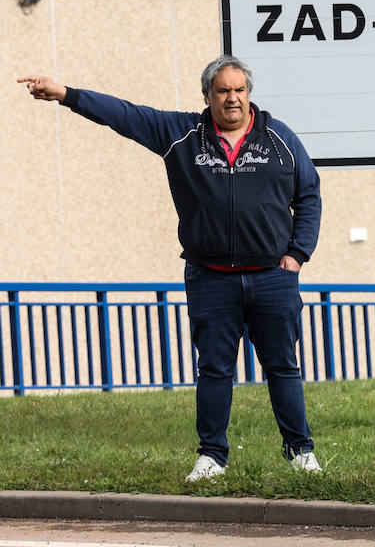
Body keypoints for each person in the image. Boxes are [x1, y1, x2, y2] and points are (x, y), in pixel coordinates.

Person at [18, 57, 323, 482]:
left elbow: (308, 195)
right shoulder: (181, 135)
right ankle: (212, 456)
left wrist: (296, 257)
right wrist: (66, 95)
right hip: (210, 277)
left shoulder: (279, 139)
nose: (232, 98)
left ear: (249, 94)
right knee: (214, 369)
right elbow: (124, 114)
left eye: (239, 90)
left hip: (273, 276)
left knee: (282, 366)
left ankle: (301, 452)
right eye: (223, 91)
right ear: (207, 96)